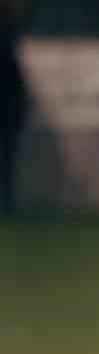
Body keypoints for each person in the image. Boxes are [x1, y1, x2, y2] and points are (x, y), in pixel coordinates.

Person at [0, 15, 24, 217]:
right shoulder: (9, 53)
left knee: (7, 161)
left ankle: (6, 203)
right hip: (10, 116)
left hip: (7, 116)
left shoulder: (6, 54)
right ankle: (7, 203)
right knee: (7, 162)